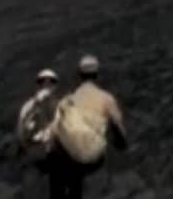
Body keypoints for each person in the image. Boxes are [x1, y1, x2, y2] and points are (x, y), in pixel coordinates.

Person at [47, 55, 127, 199]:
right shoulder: (106, 98)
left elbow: (53, 134)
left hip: (69, 157)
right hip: (93, 158)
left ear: (79, 75)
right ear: (97, 75)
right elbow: (119, 129)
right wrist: (121, 144)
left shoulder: (67, 101)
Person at [16, 69, 60, 198]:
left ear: (38, 85)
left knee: (32, 193)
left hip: (32, 152)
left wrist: (24, 150)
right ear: (55, 85)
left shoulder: (28, 105)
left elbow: (20, 133)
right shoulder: (60, 104)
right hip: (53, 152)